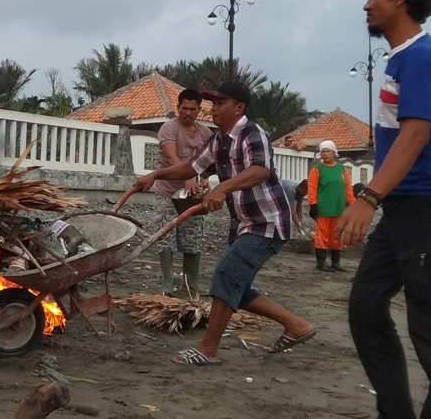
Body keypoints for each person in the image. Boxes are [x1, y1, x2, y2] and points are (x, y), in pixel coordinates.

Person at [133, 80, 314, 365]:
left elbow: (261, 169)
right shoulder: (217, 141)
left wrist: (222, 188)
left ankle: (208, 349)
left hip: (266, 221)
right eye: (213, 103)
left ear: (239, 107)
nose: (213, 108)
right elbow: (192, 167)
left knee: (226, 276)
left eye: (220, 103)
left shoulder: (253, 133)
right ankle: (296, 325)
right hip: (244, 223)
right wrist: (155, 175)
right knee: (236, 287)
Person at [336, 0, 431, 419]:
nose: (366, 2)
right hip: (399, 208)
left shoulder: (420, 55)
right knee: (367, 307)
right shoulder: (398, 59)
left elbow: (417, 134)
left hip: (421, 206)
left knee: (426, 323)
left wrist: (366, 198)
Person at [149, 88, 212, 295]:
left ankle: (191, 283)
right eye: (184, 108)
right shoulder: (169, 128)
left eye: (192, 109)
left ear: (199, 110)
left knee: (192, 238)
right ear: (177, 108)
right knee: (165, 237)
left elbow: (208, 162)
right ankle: (167, 284)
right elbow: (170, 157)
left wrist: (203, 180)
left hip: (192, 195)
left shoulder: (205, 133)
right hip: (167, 192)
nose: (188, 113)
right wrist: (187, 177)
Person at [307, 140, 355, 271]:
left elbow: (348, 188)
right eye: (323, 151)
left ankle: (336, 263)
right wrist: (313, 204)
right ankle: (321, 263)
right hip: (323, 208)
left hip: (339, 208)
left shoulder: (342, 169)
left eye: (328, 151)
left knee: (337, 235)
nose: (325, 154)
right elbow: (311, 188)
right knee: (322, 235)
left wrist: (352, 203)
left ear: (334, 153)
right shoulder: (317, 169)